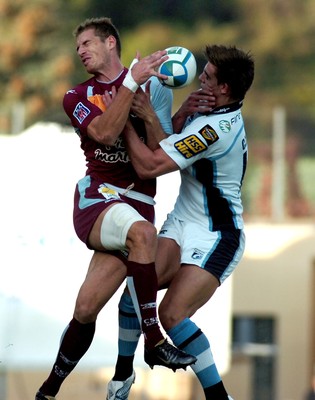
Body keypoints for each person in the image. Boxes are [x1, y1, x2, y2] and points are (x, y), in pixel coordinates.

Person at [35, 17, 197, 400]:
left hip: (138, 202)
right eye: (78, 48)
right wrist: (130, 84)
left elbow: (163, 150)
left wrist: (146, 109)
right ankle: (154, 339)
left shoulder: (153, 87)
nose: (81, 52)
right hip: (99, 198)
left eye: (88, 43)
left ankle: (48, 392)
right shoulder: (76, 96)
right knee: (143, 234)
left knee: (87, 308)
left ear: (111, 43)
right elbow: (105, 133)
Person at [107, 44, 255, 400]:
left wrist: (130, 117)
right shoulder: (207, 110)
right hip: (184, 220)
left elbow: (150, 164)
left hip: (217, 235)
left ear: (224, 90)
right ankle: (122, 378)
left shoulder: (216, 129)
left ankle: (218, 396)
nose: (198, 78)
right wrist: (178, 113)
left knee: (171, 315)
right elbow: (170, 145)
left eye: (207, 76)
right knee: (134, 288)